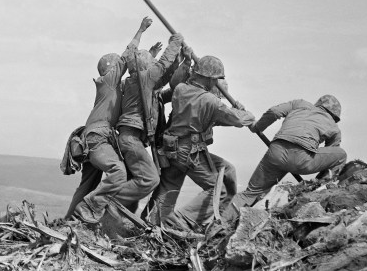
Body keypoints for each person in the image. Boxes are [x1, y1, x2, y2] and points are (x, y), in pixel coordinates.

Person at [148, 55, 256, 230]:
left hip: (171, 148)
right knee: (218, 189)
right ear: (209, 78)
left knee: (225, 171)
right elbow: (237, 120)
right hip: (190, 152)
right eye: (215, 80)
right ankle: (182, 221)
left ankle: (153, 222)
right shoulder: (210, 101)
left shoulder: (181, 90)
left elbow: (210, 116)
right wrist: (245, 112)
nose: (216, 84)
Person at [68, 17, 154, 223]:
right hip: (98, 137)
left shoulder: (112, 88)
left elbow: (137, 76)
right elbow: (127, 56)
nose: (121, 68)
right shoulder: (108, 81)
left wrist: (150, 57)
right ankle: (91, 208)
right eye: (117, 66)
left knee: (88, 184)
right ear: (111, 68)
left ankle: (69, 221)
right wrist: (140, 31)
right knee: (118, 171)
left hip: (94, 138)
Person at [228, 95, 346, 217]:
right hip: (302, 160)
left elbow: (274, 111)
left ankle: (219, 221)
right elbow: (330, 154)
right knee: (341, 155)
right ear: (335, 116)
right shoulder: (334, 128)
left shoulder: (300, 104)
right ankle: (320, 189)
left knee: (249, 194)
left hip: (275, 153)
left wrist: (257, 127)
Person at [114, 31, 184, 212]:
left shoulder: (137, 82)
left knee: (134, 183)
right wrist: (175, 42)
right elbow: (163, 65)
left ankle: (117, 218)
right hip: (131, 138)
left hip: (131, 138)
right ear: (146, 67)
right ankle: (106, 201)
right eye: (151, 64)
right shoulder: (143, 78)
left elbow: (165, 77)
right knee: (150, 179)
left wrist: (179, 60)